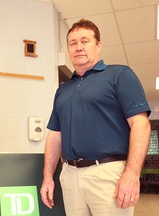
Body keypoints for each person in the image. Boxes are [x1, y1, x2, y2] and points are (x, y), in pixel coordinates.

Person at [40, 19, 151, 216]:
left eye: (85, 41)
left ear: (98, 45)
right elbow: (55, 135)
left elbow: (140, 124)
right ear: (68, 50)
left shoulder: (119, 75)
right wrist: (48, 177)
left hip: (108, 174)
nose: (79, 47)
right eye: (73, 43)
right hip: (70, 175)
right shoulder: (62, 90)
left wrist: (132, 174)